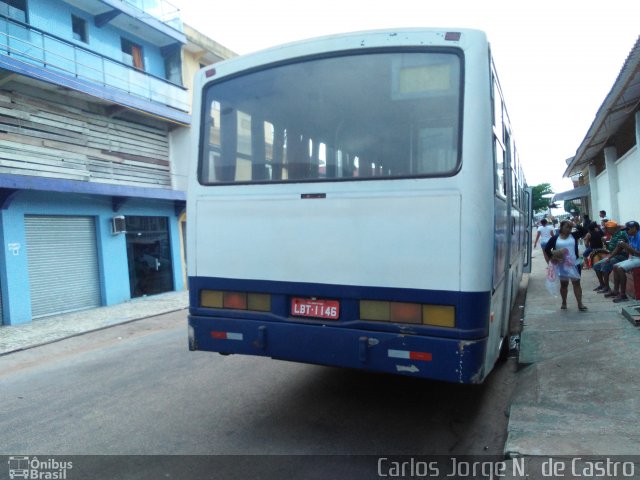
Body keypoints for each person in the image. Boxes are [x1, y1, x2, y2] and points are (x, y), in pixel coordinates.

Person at [544, 220, 588, 311]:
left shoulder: (574, 235)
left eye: (570, 228)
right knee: (564, 284)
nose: (569, 229)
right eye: (567, 227)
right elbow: (547, 249)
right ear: (561, 227)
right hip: (561, 265)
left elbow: (584, 231)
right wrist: (552, 257)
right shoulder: (555, 238)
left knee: (577, 283)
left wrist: (576, 224)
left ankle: (580, 303)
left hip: (575, 264)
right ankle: (564, 302)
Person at [592, 220, 629, 293]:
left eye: (607, 228)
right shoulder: (613, 235)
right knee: (596, 266)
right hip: (614, 255)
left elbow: (618, 249)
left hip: (620, 256)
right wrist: (605, 243)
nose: (606, 230)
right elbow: (610, 248)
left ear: (612, 228)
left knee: (605, 265)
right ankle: (602, 285)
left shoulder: (621, 234)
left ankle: (606, 287)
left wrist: (609, 257)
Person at [608, 221, 640, 303]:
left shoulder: (639, 236)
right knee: (615, 266)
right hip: (635, 258)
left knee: (620, 268)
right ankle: (616, 290)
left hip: (638, 258)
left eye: (628, 229)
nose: (626, 231)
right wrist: (625, 246)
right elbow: (632, 252)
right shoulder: (632, 236)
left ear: (634, 228)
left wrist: (627, 247)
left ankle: (623, 295)